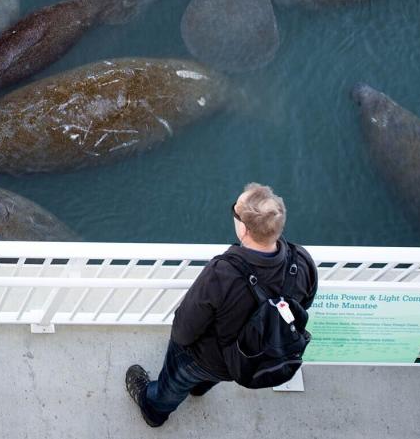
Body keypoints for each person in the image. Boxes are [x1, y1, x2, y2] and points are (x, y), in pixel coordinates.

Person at [124, 182, 318, 427]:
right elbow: (304, 305)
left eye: (235, 212)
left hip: (202, 358)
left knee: (171, 386)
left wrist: (181, 349)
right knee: (209, 377)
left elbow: (184, 330)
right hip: (242, 360)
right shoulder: (301, 261)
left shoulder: (222, 273)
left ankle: (154, 411)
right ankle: (199, 389)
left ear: (244, 229)